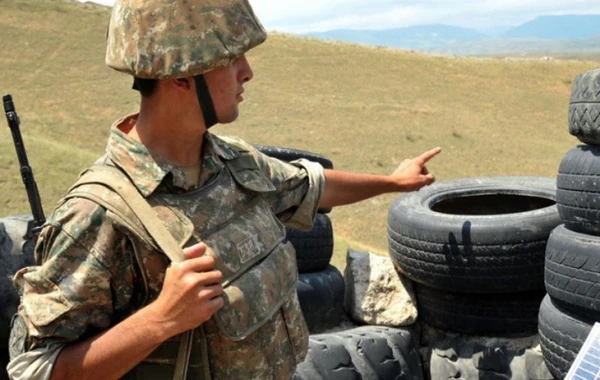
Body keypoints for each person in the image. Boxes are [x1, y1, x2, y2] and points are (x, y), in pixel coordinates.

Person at [6, 0, 441, 379]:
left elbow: (311, 186)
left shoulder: (231, 162)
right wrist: (160, 320)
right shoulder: (98, 214)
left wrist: (393, 182)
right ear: (181, 76)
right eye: (232, 58)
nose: (246, 72)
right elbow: (35, 369)